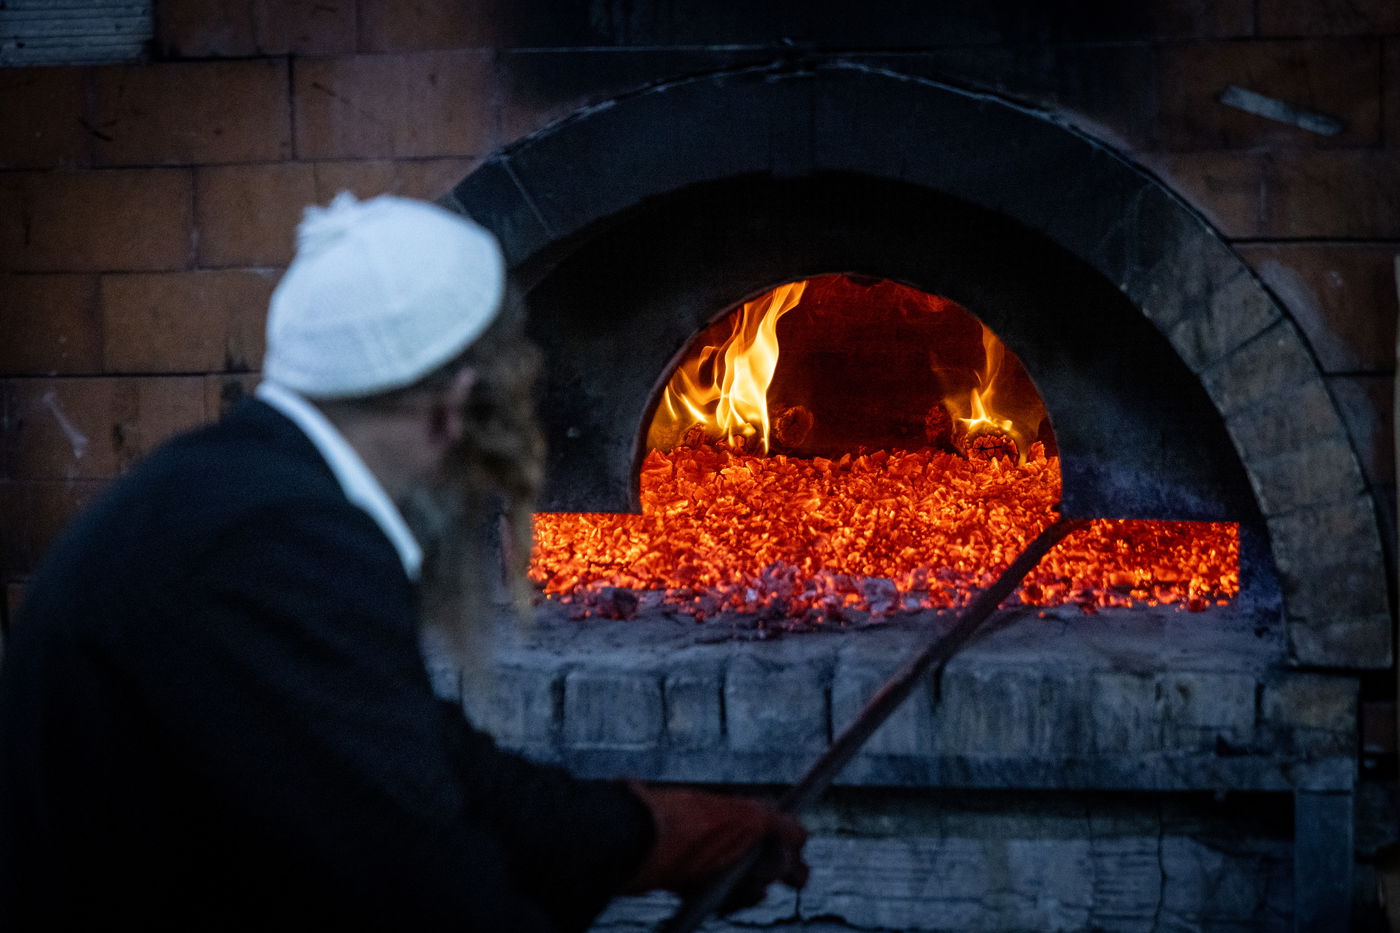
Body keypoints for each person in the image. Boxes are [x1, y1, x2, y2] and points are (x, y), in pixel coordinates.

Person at [0, 193, 807, 930]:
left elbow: (438, 766)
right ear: (459, 406)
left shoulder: (243, 485)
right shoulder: (276, 543)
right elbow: (420, 885)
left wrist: (653, 834)